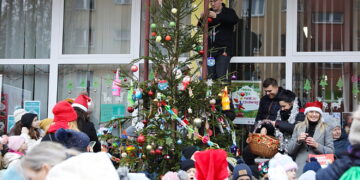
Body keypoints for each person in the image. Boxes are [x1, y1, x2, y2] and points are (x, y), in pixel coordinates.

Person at [287, 101, 334, 176]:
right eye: (311, 112)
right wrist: (298, 141)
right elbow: (290, 151)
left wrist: (316, 145)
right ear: (306, 113)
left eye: (317, 112)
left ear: (320, 114)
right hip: (300, 167)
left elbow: (331, 152)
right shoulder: (298, 127)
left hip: (319, 167)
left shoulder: (326, 128)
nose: (314, 115)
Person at [315, 106, 360, 180]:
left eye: (338, 129)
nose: (337, 132)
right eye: (334, 130)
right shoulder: (323, 143)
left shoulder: (347, 143)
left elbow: (322, 175)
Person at [199, 0, 239, 80]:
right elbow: (200, 28)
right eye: (211, 2)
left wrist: (216, 16)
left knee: (221, 76)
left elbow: (233, 20)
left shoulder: (229, 11)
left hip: (223, 50)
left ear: (221, 1)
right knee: (211, 77)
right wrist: (201, 18)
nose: (213, 4)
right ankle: (212, 92)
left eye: (215, 1)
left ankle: (222, 92)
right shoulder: (209, 12)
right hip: (210, 51)